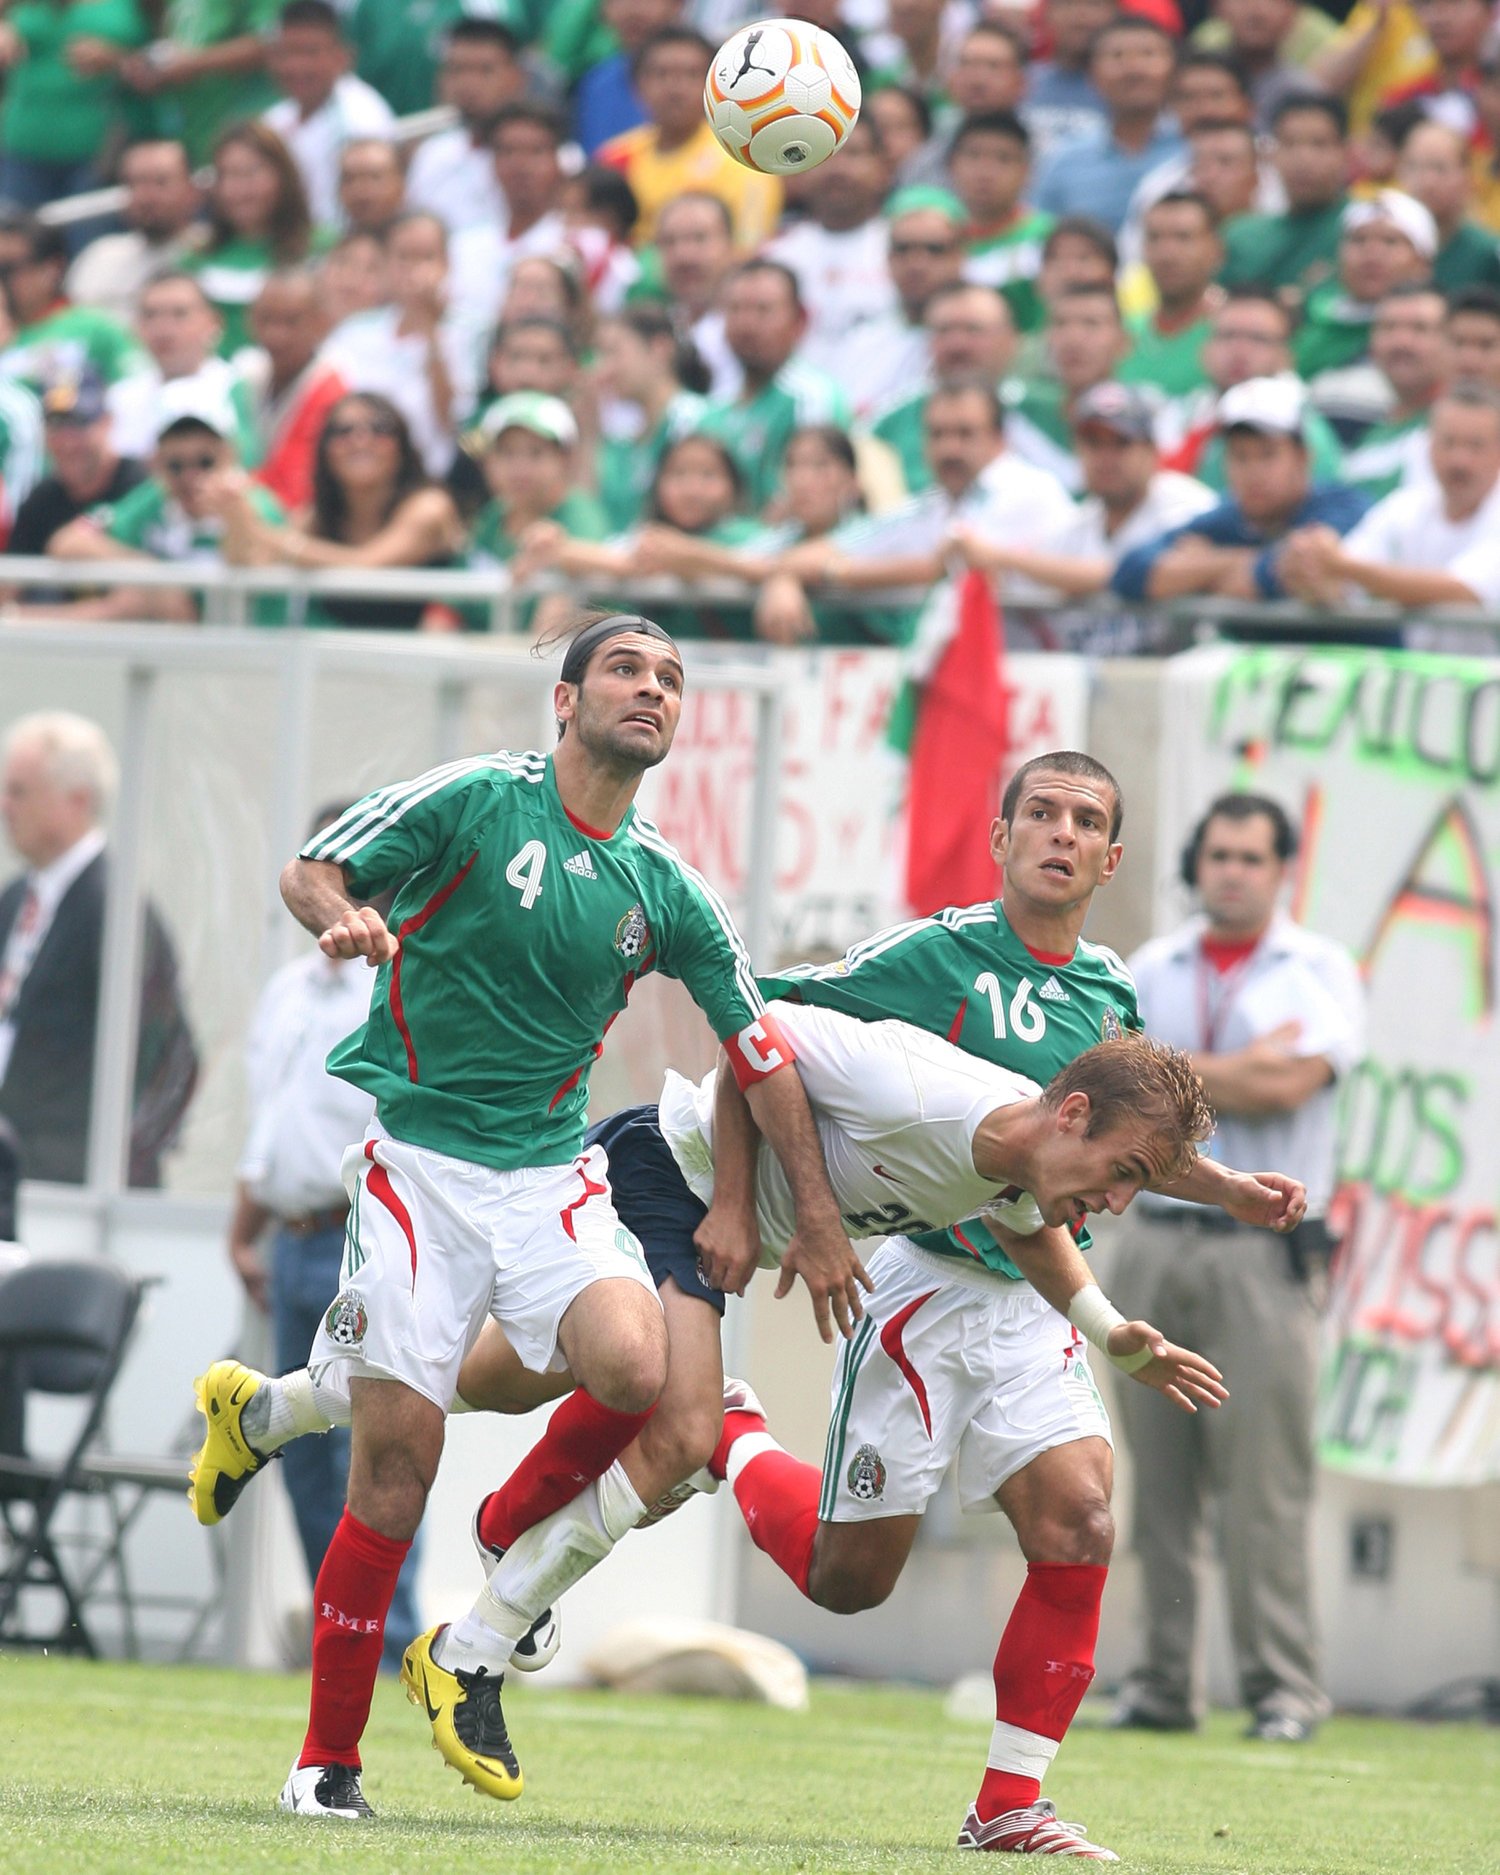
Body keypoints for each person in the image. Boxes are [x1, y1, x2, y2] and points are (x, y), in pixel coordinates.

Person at [192, 612, 867, 1819]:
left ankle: (316, 1428)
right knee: (401, 1460)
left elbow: (759, 1056)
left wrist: (807, 1218)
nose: (651, 688)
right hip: (421, 1169)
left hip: (553, 1176)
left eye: (671, 677)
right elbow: (311, 867)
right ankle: (324, 1767)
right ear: (565, 701)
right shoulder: (477, 799)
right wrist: (339, 914)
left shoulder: (665, 888)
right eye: (625, 668)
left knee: (634, 1363)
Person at [1110, 791, 1365, 1743]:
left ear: (1280, 869)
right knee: (1159, 1485)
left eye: (1251, 857)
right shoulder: (1150, 964)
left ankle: (1285, 1692)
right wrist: (1224, 1067)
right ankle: (1163, 1686)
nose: (1232, 871)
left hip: (1266, 1254)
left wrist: (1164, 1068)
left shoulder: (1319, 969)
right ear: (1194, 862)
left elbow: (1288, 1081)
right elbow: (1115, 1082)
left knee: (1266, 1485)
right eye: (1217, 853)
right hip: (1158, 1245)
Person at [226, 799, 421, 1671]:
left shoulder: (404, 976)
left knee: (379, 1447)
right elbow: (274, 1123)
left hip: (368, 1231)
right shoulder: (290, 987)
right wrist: (244, 1231)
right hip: (295, 1238)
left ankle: (398, 1640)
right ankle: (339, 1634)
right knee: (303, 1458)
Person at [0, 711, 197, 1186]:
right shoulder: (15, 899)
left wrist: (115, 1168)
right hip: (16, 1173)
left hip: (66, 1185)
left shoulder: (116, 907)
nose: (5, 806)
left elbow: (173, 1056)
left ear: (78, 800)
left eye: (19, 791)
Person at [210, 391, 465, 630]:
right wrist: (235, 515)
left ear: (402, 445)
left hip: (428, 666)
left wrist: (278, 542)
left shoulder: (430, 507)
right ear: (325, 450)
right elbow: (255, 561)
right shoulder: (319, 516)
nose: (360, 441)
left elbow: (366, 567)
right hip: (337, 667)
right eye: (343, 431)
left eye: (379, 429)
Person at [949, 381, 1216, 606]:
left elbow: (1128, 575)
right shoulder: (1077, 524)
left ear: (1152, 451)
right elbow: (1021, 584)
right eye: (1093, 444)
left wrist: (1001, 557)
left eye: (1121, 443)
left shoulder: (1186, 506)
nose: (1105, 458)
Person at [42, 382, 284, 622]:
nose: (191, 477)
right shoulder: (155, 498)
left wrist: (236, 516)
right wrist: (156, 578)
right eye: (175, 465)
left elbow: (249, 564)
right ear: (157, 462)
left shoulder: (257, 505)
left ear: (230, 455)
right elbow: (69, 541)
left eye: (205, 462)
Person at [1115, 375, 1369, 602]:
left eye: (1267, 455)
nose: (1253, 472)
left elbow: (1289, 570)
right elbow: (1130, 573)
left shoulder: (1342, 506)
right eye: (1240, 456)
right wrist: (1232, 563)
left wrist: (1201, 565)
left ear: (1302, 457)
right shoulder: (1230, 516)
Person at [1278, 382, 1500, 614]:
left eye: (1476, 446)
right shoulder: (1405, 507)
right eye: (1449, 442)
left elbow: (1461, 592)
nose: (1459, 460)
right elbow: (1343, 584)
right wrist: (1310, 567)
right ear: (1428, 444)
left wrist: (1339, 565)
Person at [322, 213, 481, 479]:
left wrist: (431, 330)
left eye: (427, 257)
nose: (414, 270)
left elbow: (453, 422)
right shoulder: (354, 332)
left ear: (447, 264)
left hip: (428, 478)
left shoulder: (469, 333)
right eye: (403, 257)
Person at [597, 26, 781, 250]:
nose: (675, 88)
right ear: (636, 86)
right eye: (661, 74)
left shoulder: (742, 160)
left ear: (717, 86)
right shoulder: (613, 159)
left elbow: (748, 251)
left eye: (691, 74)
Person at [694, 260, 850, 513]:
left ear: (799, 320)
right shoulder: (712, 410)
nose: (746, 323)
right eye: (735, 309)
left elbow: (813, 504)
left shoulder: (811, 397)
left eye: (763, 310)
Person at [1157, 289, 1346, 490]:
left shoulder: (1303, 427)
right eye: (1227, 336)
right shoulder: (1186, 412)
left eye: (1257, 338)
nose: (1239, 350)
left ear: (1286, 355)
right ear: (1205, 348)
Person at [762, 117, 898, 390]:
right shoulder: (773, 258)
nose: (837, 168)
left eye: (853, 153)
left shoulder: (908, 250)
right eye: (824, 154)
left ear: (883, 168)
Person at [1031, 18, 1183, 235]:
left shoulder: (1195, 149)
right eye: (1116, 56)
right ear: (1091, 75)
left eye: (1148, 54)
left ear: (1175, 70)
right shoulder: (1063, 160)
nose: (1133, 69)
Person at [869, 280, 1020, 495]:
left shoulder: (1046, 413)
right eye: (944, 330)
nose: (957, 344)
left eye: (973, 330)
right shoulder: (888, 421)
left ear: (1010, 338)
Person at [0, 0, 146, 216]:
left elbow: (158, 64)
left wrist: (115, 59)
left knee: (88, 240)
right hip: (22, 147)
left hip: (94, 153)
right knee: (14, 237)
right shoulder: (25, 8)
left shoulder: (126, 9)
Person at [183, 121, 314, 359]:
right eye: (228, 176)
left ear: (282, 175)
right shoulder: (196, 258)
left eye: (250, 173)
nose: (239, 189)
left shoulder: (318, 247)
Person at [833, 189, 967, 419]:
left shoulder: (978, 337)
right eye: (903, 249)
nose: (916, 263)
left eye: (934, 249)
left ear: (959, 256)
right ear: (887, 257)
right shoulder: (860, 342)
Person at [262, 0, 393, 233]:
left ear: (341, 56)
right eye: (286, 53)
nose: (296, 65)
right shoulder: (274, 118)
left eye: (309, 52)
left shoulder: (361, 118)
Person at [108, 272, 257, 463]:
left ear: (213, 322)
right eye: (150, 315)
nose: (163, 329)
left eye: (179, 314)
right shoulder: (120, 396)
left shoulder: (238, 389)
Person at [1294, 190, 1436, 383]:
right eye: (1358, 240)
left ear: (1423, 263)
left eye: (1390, 241)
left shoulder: (1441, 330)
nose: (1372, 252)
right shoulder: (1308, 323)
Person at [589, 304, 707, 533]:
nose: (603, 369)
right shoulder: (622, 441)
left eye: (613, 352)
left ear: (659, 348)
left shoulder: (701, 423)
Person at [6, 369, 145, 563]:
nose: (67, 441)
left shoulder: (142, 486)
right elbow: (11, 584)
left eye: (79, 423)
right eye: (55, 424)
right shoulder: (42, 500)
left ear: (107, 422)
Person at [1220, 94, 1351, 298]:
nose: (1303, 159)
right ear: (1271, 154)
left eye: (1319, 144)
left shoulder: (1362, 228)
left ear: (1345, 152)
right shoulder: (1241, 237)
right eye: (1289, 144)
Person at [242, 265, 347, 512]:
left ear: (321, 323)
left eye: (291, 321)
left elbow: (298, 490)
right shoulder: (245, 379)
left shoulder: (333, 394)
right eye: (266, 319)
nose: (276, 334)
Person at [67, 141, 205, 326]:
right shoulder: (99, 256)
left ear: (192, 191)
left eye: (160, 182)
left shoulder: (210, 252)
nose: (146, 196)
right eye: (134, 183)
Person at [0, 213, 141, 394]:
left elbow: (137, 388)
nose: (2, 279)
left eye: (8, 268)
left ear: (53, 268)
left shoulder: (94, 328)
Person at [405, 21, 522, 233]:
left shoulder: (553, 160)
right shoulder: (432, 155)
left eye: (485, 70)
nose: (469, 83)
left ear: (516, 77)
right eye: (457, 70)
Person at [1339, 284, 1448, 497]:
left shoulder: (1461, 429)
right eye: (1388, 327)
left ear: (1451, 340)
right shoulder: (1373, 435)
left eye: (1420, 328)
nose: (1401, 342)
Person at [951, 113, 1053, 337]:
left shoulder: (1048, 238)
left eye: (1003, 158)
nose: (986, 171)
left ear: (1028, 173)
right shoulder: (933, 237)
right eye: (973, 156)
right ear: (951, 166)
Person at [1119, 192, 1226, 401]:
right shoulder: (1123, 335)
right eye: (1154, 238)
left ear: (1216, 249)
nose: (1166, 253)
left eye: (1183, 237)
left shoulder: (1231, 334)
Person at [1020, 0, 1112, 160]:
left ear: (1114, 14)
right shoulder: (1018, 81)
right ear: (1047, 15)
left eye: (1094, 4)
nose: (1080, 14)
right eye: (1067, 3)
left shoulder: (1130, 88)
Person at [334, 138, 406, 239]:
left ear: (399, 183)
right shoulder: (328, 248)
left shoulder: (423, 243)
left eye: (374, 177)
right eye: (349, 179)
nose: (360, 191)